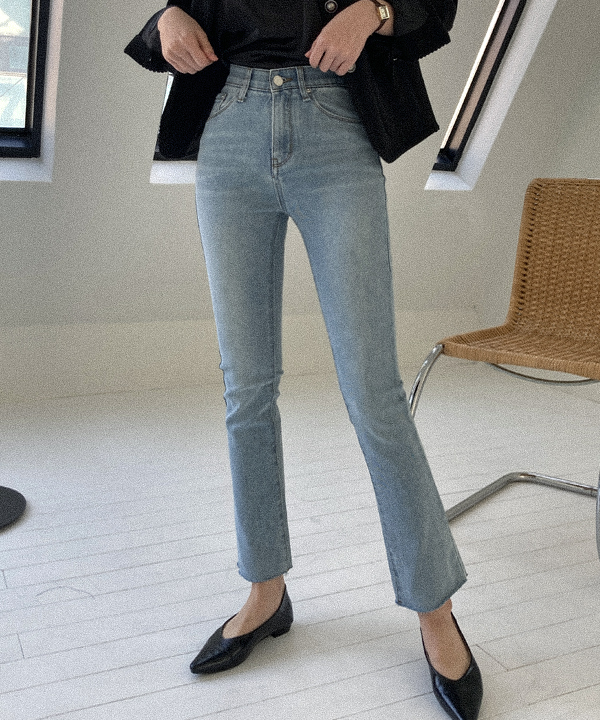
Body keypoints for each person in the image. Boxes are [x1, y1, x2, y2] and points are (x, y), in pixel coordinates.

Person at [126, 2, 483, 718]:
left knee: (374, 392)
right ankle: (266, 589)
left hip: (334, 124)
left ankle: (434, 608)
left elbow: (432, 6)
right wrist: (166, 17)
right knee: (246, 388)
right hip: (230, 124)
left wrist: (376, 11)